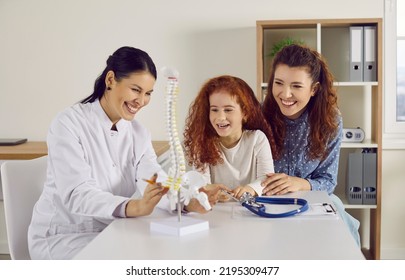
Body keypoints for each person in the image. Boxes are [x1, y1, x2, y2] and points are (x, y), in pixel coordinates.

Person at [28, 46, 222, 260]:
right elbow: (77, 192)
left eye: (148, 93)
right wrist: (133, 206)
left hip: (112, 231)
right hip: (65, 236)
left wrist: (186, 201)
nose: (141, 101)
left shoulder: (138, 133)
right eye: (135, 90)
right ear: (110, 79)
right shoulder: (68, 124)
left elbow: (154, 180)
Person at [260, 44, 361, 246]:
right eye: (279, 83)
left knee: (341, 227)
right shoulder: (259, 115)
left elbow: (329, 180)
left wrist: (300, 183)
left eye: (296, 86)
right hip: (266, 202)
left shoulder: (330, 121)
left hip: (311, 200)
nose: (285, 94)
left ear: (314, 89)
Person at [183, 75, 275, 201]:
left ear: (245, 113)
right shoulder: (202, 142)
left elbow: (266, 178)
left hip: (250, 210)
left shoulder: (257, 139)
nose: (220, 117)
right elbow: (201, 183)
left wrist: (250, 189)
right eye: (214, 110)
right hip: (216, 212)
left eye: (228, 110)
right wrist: (210, 190)